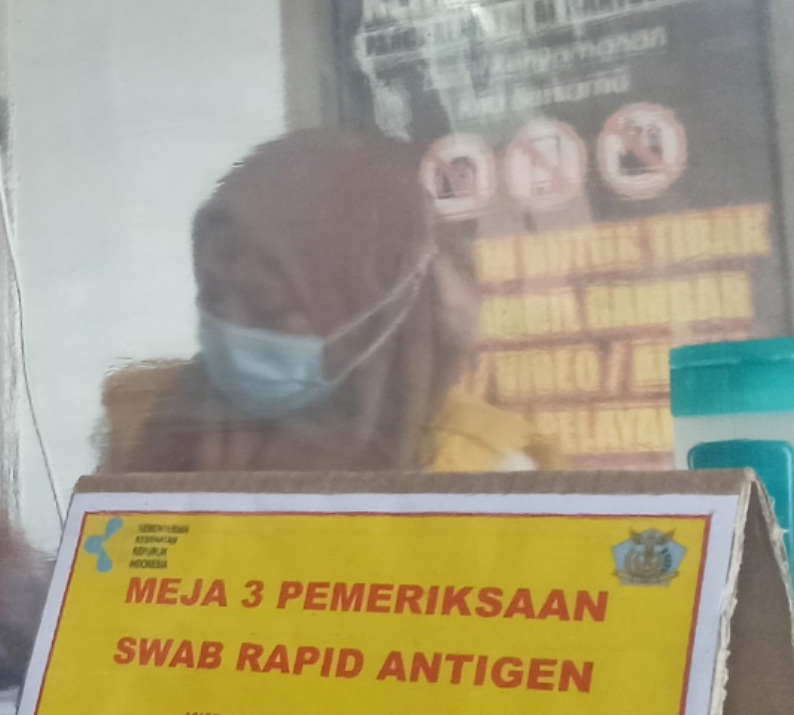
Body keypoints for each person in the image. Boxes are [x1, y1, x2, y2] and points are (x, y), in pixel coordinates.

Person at [103, 129, 561, 474]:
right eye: (215, 298)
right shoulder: (149, 421)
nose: (232, 330)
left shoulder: (482, 470)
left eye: (271, 311)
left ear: (376, 318)